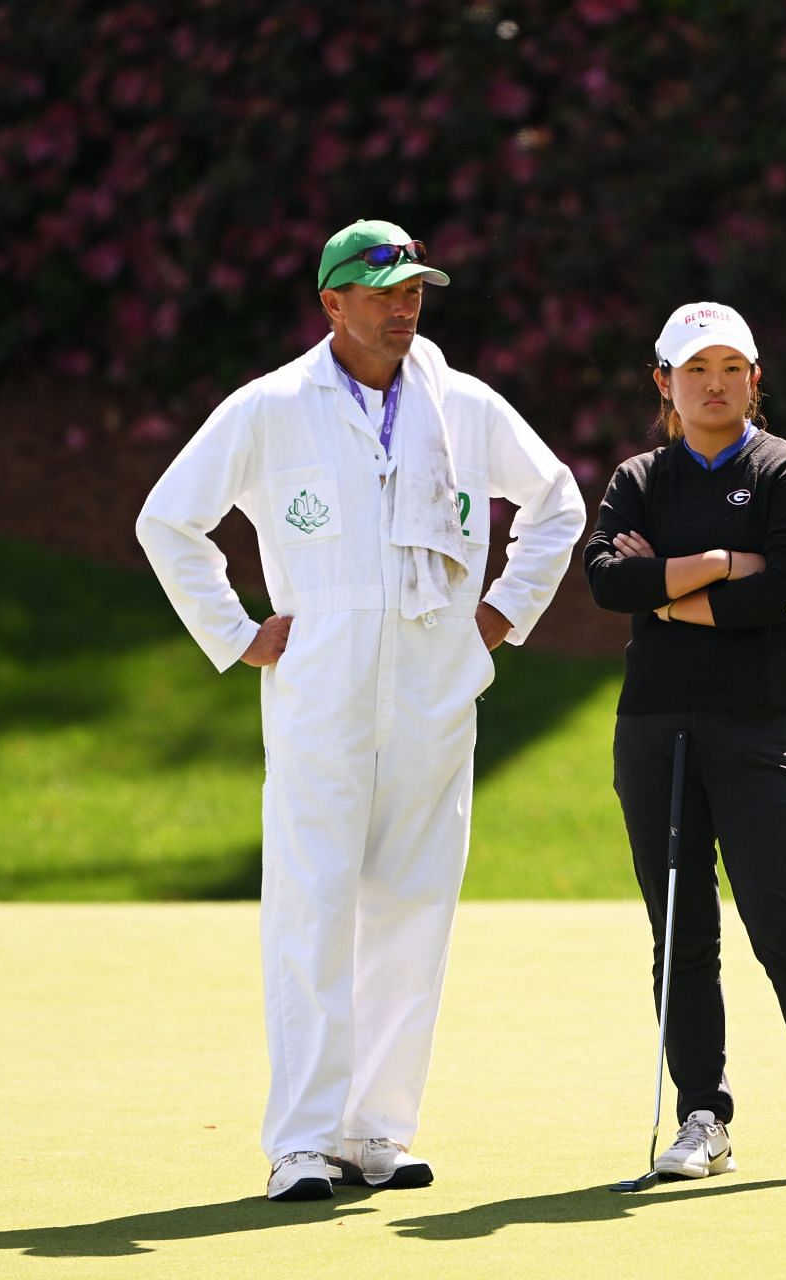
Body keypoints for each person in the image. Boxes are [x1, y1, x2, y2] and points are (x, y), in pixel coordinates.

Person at [136, 219, 585, 1201]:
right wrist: (239, 630)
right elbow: (167, 519)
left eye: (415, 290)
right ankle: (302, 1139)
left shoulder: (463, 404)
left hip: (435, 681)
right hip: (320, 689)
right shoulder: (270, 407)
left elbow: (557, 503)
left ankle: (377, 1130)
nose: (404, 308)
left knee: (415, 907)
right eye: (382, 292)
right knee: (312, 906)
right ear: (332, 303)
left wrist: (503, 614)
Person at [583, 301, 786, 1181]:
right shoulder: (640, 479)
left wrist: (669, 586)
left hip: (757, 725)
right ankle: (702, 1118)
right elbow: (608, 580)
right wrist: (726, 563)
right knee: (681, 933)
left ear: (755, 380)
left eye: (730, 368)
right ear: (665, 385)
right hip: (654, 731)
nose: (713, 384)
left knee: (785, 928)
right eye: (695, 370)